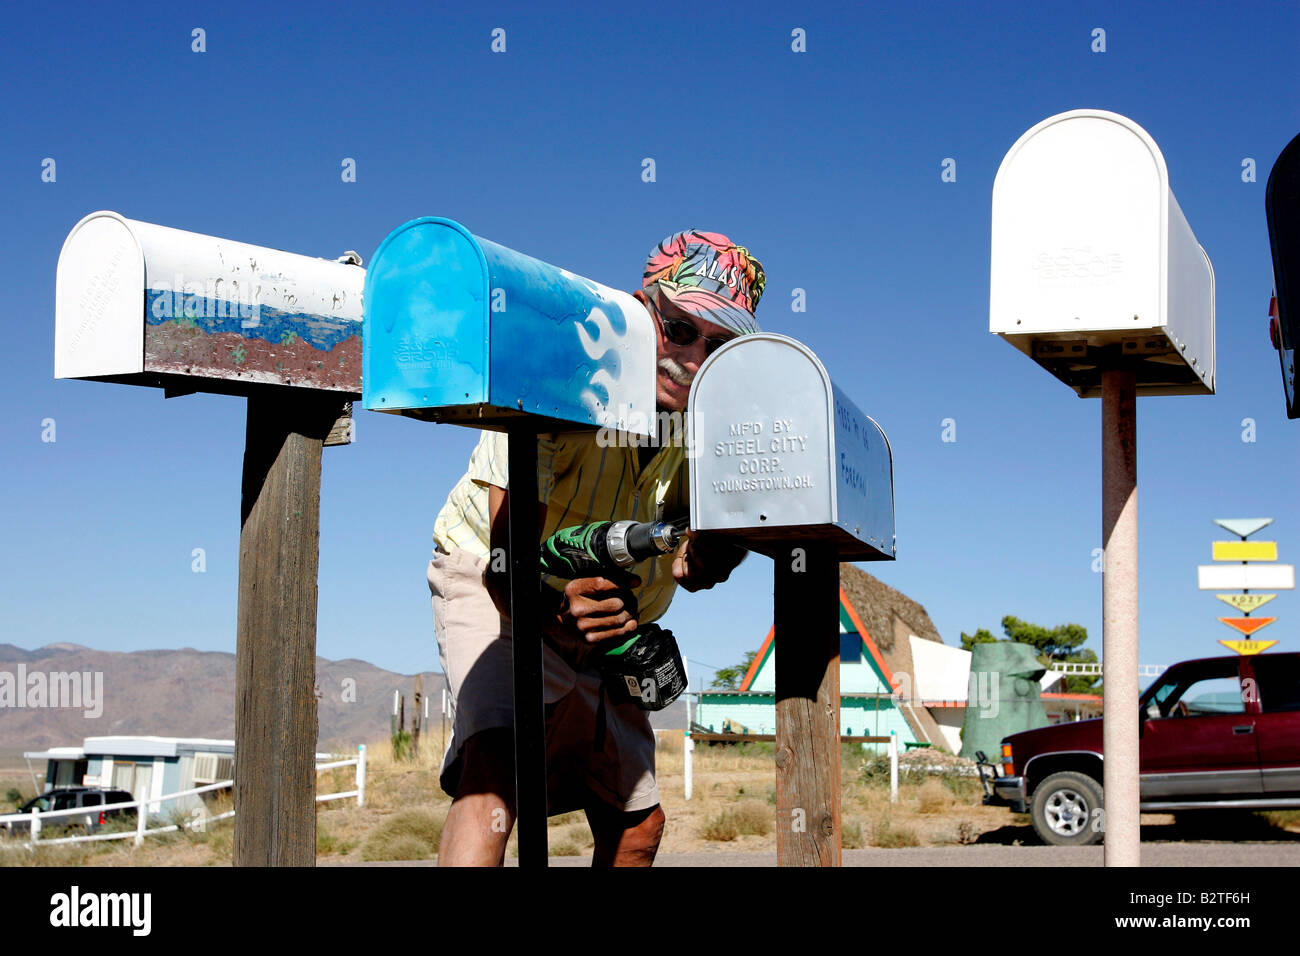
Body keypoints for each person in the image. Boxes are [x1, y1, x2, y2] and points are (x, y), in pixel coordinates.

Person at [427, 229, 765, 866]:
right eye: (681, 329)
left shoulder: (717, 420)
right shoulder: (562, 373)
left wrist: (712, 553)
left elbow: (699, 557)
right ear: (641, 309)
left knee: (638, 825)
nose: (693, 358)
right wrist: (558, 611)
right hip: (492, 578)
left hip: (613, 620)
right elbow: (506, 567)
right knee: (494, 778)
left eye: (719, 345)